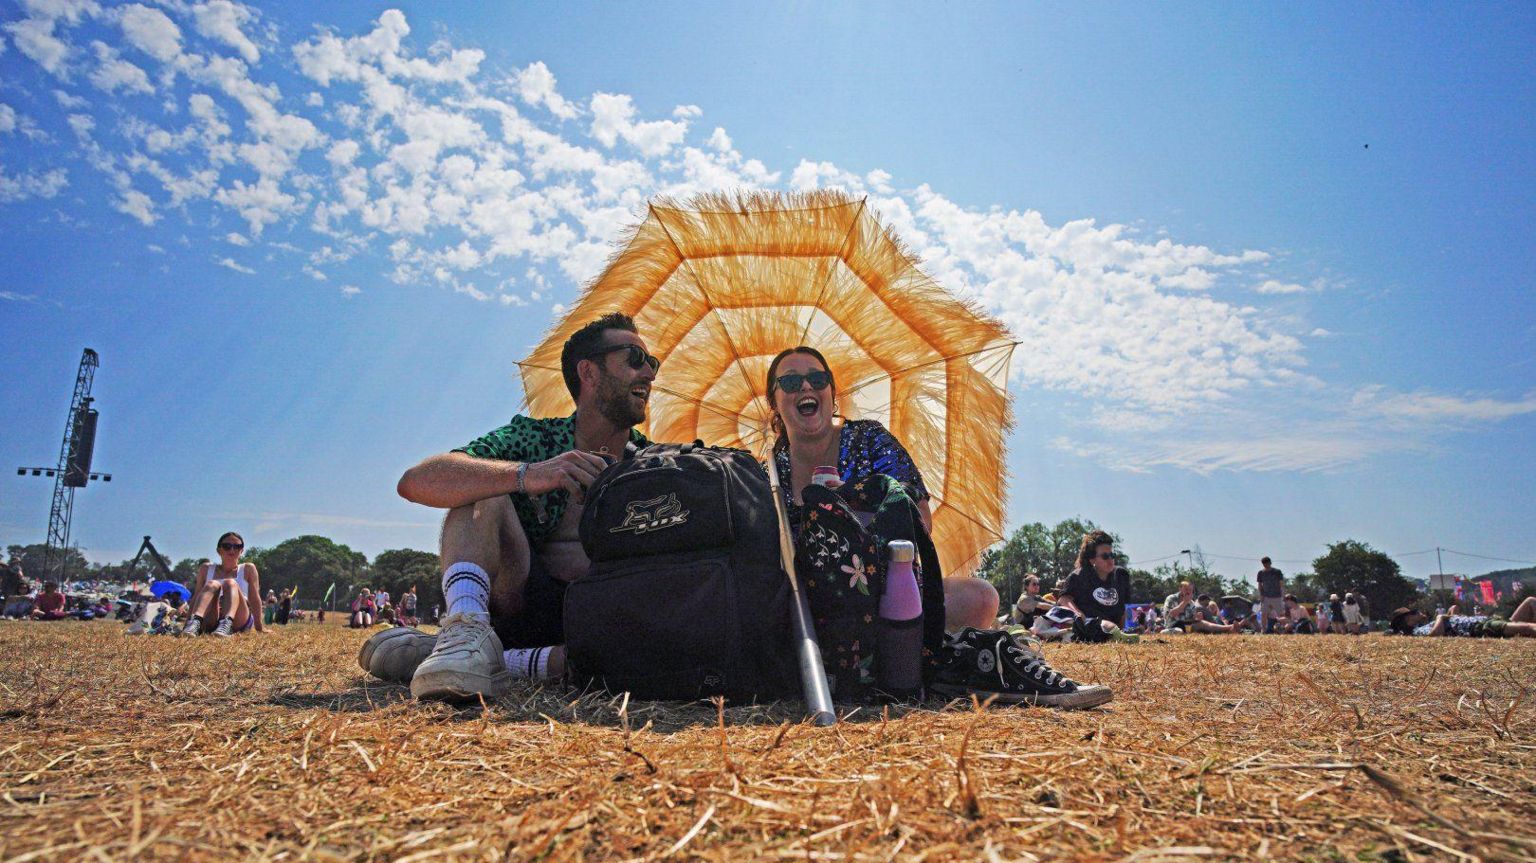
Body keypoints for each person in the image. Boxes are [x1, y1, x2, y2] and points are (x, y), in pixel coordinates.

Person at [765, 345, 1108, 706]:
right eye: (789, 381)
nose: (805, 387)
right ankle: (924, 663)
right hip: (809, 607)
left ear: (831, 392)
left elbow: (920, 520)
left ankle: (919, 658)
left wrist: (852, 511)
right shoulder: (769, 472)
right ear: (774, 402)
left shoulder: (869, 439)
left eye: (817, 378)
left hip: (884, 594)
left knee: (980, 597)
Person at [388, 313, 658, 700]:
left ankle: (466, 656)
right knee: (481, 489)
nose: (649, 373)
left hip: (601, 624)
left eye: (653, 363)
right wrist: (529, 475)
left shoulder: (653, 462)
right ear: (589, 372)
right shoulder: (535, 437)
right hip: (517, 603)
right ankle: (466, 629)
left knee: (628, 657)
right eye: (635, 357)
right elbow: (415, 482)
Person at [180, 532, 265, 637]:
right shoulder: (205, 569)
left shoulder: (247, 569)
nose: (232, 550)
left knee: (230, 583)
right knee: (212, 584)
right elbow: (197, 597)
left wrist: (259, 627)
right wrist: (186, 624)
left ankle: (227, 623)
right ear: (219, 550)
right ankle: (195, 622)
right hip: (212, 616)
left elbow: (254, 598)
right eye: (227, 546)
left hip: (239, 617)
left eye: (237, 546)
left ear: (242, 550)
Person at [1057, 530, 1136, 642]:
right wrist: (1078, 615)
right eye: (1105, 556)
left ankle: (1118, 636)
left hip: (1114, 628)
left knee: (1125, 629)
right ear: (1092, 560)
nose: (1110, 560)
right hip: (1091, 626)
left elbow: (1123, 609)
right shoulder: (1079, 576)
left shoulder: (1121, 575)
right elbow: (1063, 599)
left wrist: (1123, 630)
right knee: (1109, 626)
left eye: (1112, 555)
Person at [1389, 597, 1536, 638]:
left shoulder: (1424, 626)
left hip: (1482, 622)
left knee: (1531, 602)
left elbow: (1450, 623)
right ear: (1408, 620)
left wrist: (1450, 612)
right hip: (1480, 627)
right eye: (1414, 612)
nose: (1418, 612)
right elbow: (1434, 636)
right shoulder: (1418, 632)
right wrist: (1441, 617)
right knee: (1528, 628)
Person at [1162, 581, 1243, 634]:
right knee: (1178, 631)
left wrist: (1196, 618)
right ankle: (1230, 628)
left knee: (1203, 623)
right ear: (1180, 589)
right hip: (1172, 626)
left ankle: (1230, 628)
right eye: (1186, 589)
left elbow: (1189, 620)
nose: (1188, 592)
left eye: (1190, 590)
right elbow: (1171, 614)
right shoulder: (1171, 598)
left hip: (1185, 626)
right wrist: (1184, 602)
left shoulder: (1191, 603)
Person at [1256, 557, 1284, 633]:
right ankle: (1263, 629)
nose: (1266, 565)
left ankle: (1282, 629)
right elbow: (1259, 585)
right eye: (1264, 564)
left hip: (1277, 596)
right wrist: (1261, 595)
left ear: (1270, 563)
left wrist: (1282, 596)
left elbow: (1281, 584)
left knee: (1280, 614)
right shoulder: (1260, 573)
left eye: (1267, 563)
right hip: (1266, 597)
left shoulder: (1277, 571)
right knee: (1263, 613)